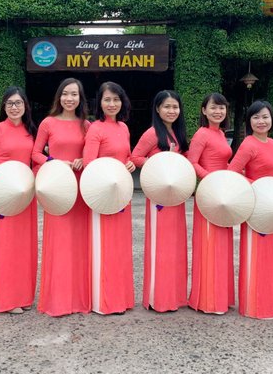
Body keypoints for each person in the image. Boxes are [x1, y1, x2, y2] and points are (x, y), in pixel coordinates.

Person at [31, 78, 91, 316]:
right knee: (58, 243)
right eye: (65, 93)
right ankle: (57, 300)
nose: (69, 98)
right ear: (59, 96)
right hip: (57, 187)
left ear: (80, 98)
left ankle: (80, 299)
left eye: (74, 94)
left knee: (80, 242)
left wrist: (84, 160)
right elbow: (35, 153)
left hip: (81, 188)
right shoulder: (48, 122)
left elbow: (93, 153)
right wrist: (55, 162)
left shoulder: (87, 125)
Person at [0, 86, 38, 314]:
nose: (14, 107)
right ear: (4, 107)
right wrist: (0, 170)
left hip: (25, 193)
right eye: (10, 103)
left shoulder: (30, 130)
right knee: (5, 246)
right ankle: (6, 300)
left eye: (18, 103)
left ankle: (24, 296)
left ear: (25, 106)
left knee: (25, 246)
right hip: (3, 193)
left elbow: (36, 160)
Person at [131, 90, 189, 312]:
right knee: (160, 246)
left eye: (175, 107)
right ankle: (158, 299)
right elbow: (135, 157)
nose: (171, 111)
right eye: (167, 106)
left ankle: (173, 297)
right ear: (157, 109)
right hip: (159, 197)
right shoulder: (152, 133)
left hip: (176, 195)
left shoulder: (178, 133)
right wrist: (158, 162)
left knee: (175, 246)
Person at [228, 100, 273, 319]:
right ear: (249, 121)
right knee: (257, 256)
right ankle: (254, 306)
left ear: (272, 119)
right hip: (256, 207)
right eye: (256, 117)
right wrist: (259, 186)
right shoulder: (248, 144)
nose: (261, 121)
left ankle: (271, 304)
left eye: (265, 117)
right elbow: (233, 172)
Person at [82, 81, 136, 315]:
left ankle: (120, 299)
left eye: (116, 99)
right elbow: (89, 163)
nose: (112, 104)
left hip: (121, 193)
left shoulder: (124, 128)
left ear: (122, 102)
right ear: (100, 103)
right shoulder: (96, 128)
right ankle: (103, 302)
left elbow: (127, 156)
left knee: (120, 247)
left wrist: (131, 163)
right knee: (104, 246)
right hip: (102, 196)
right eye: (107, 100)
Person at [186, 93, 234, 315]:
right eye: (213, 107)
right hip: (209, 193)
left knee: (222, 244)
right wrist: (211, 178)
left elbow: (224, 162)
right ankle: (207, 300)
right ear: (204, 110)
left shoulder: (221, 133)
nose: (218, 111)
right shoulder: (201, 134)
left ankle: (220, 296)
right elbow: (192, 162)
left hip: (224, 192)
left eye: (222, 107)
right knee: (209, 244)